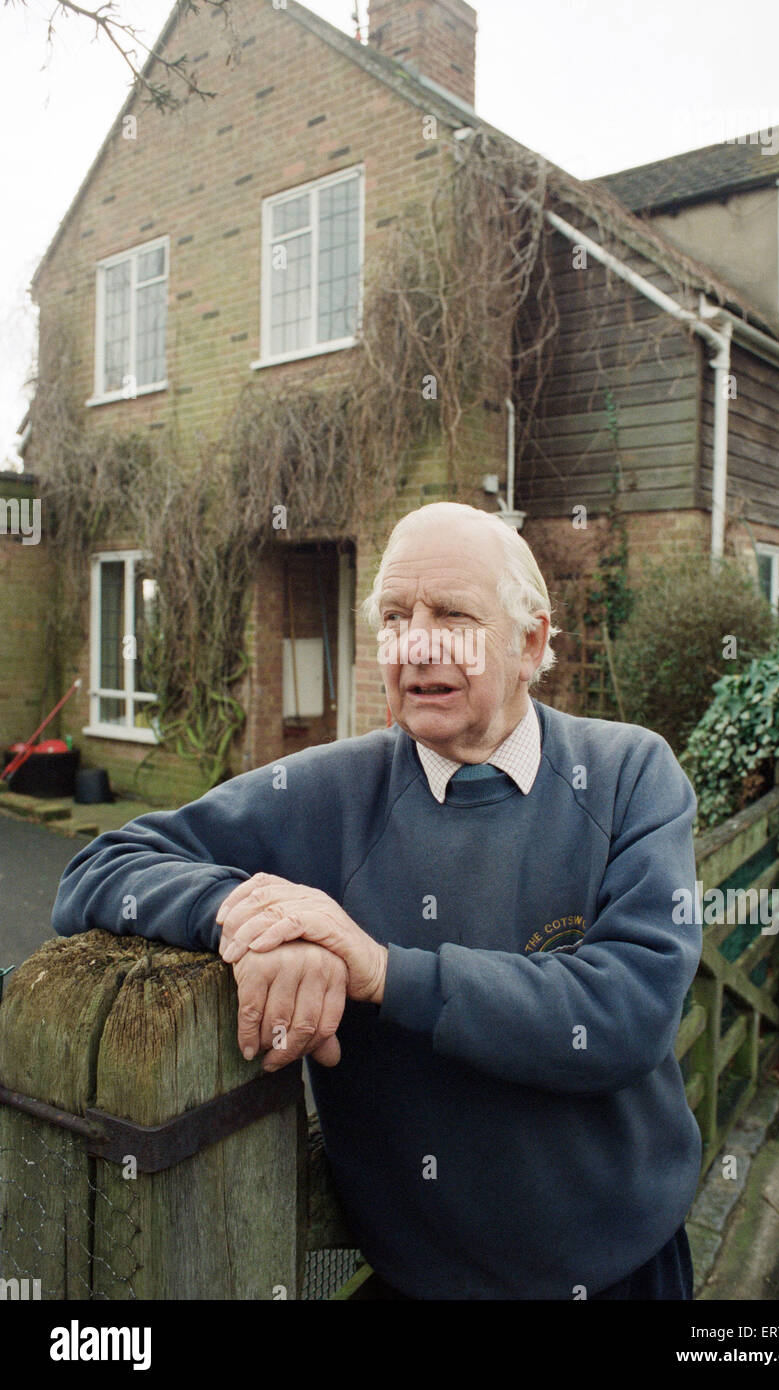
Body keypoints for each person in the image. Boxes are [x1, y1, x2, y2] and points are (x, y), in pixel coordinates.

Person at [52, 501, 702, 1300]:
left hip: (627, 1270)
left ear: (530, 643)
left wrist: (381, 973)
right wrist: (253, 915)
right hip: (420, 1284)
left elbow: (630, 1011)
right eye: (395, 618)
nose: (417, 643)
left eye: (452, 616)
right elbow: (102, 866)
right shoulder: (326, 789)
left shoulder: (629, 772)